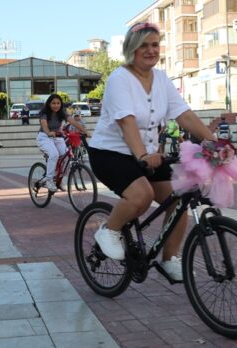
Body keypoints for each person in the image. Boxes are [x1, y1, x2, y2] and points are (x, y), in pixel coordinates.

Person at [87, 22, 216, 280]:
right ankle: (109, 230)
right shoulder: (119, 79)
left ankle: (170, 258)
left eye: (155, 45)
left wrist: (214, 142)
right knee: (141, 196)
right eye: (143, 45)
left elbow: (184, 114)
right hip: (110, 153)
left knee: (179, 199)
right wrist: (143, 157)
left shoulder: (162, 79)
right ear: (131, 49)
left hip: (146, 154)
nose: (150, 50)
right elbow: (127, 121)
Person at [36, 94, 88, 192]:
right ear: (49, 104)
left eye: (58, 103)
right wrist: (48, 132)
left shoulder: (62, 113)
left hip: (57, 137)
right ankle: (49, 180)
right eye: (53, 103)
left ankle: (59, 180)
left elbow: (73, 121)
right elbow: (44, 124)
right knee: (54, 154)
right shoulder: (45, 113)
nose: (56, 105)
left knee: (67, 156)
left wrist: (85, 131)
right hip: (44, 137)